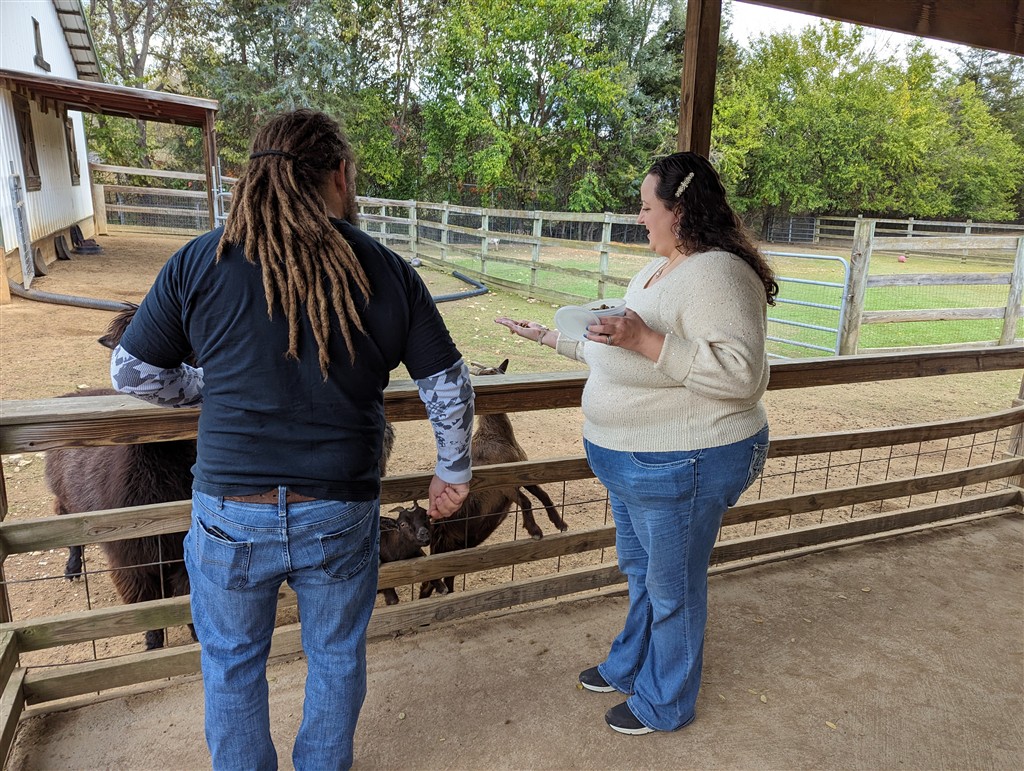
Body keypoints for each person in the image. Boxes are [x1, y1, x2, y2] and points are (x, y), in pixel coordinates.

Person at [110, 109, 474, 769]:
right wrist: (453, 470)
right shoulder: (386, 269)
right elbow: (447, 383)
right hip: (339, 506)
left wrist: (204, 385)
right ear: (339, 175)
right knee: (335, 656)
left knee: (231, 661)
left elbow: (131, 372)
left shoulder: (201, 261)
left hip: (230, 509)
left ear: (254, 177)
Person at [496, 151, 776, 735]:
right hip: (634, 460)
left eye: (648, 208)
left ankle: (666, 702)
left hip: (686, 458)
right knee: (642, 571)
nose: (640, 217)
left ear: (681, 211)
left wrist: (646, 338)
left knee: (673, 589)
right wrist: (550, 337)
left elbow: (742, 375)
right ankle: (631, 665)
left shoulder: (720, 274)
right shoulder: (657, 270)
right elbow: (622, 351)